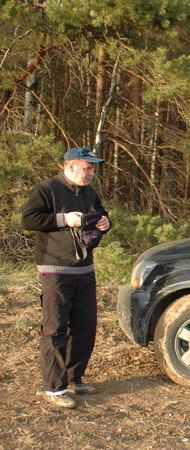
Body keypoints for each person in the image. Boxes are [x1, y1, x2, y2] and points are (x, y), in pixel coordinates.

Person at [22, 147, 111, 409]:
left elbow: (101, 216)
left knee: (85, 327)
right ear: (70, 166)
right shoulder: (46, 189)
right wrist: (64, 218)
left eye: (93, 168)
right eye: (87, 168)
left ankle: (74, 378)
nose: (91, 173)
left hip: (85, 269)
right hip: (55, 270)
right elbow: (29, 220)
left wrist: (105, 223)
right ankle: (54, 387)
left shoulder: (88, 192)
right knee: (55, 328)